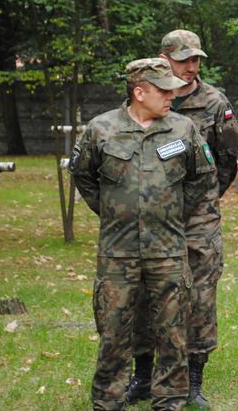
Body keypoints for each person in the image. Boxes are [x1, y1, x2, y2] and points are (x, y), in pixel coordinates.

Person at [68, 58, 217, 410]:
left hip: (167, 251)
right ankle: (108, 401)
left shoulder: (183, 130)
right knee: (114, 334)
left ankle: (170, 402)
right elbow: (84, 176)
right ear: (139, 92)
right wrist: (112, 211)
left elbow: (202, 176)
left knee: (173, 335)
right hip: (117, 253)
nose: (171, 95)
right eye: (163, 90)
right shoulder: (101, 129)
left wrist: (171, 212)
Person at [127, 29, 238, 409]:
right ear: (164, 60)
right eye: (183, 60)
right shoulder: (147, 97)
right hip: (149, 219)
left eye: (196, 60)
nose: (191, 67)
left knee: (199, 297)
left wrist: (199, 201)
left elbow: (225, 163)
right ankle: (143, 375)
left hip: (197, 220)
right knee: (142, 293)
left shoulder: (214, 102)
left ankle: (193, 381)